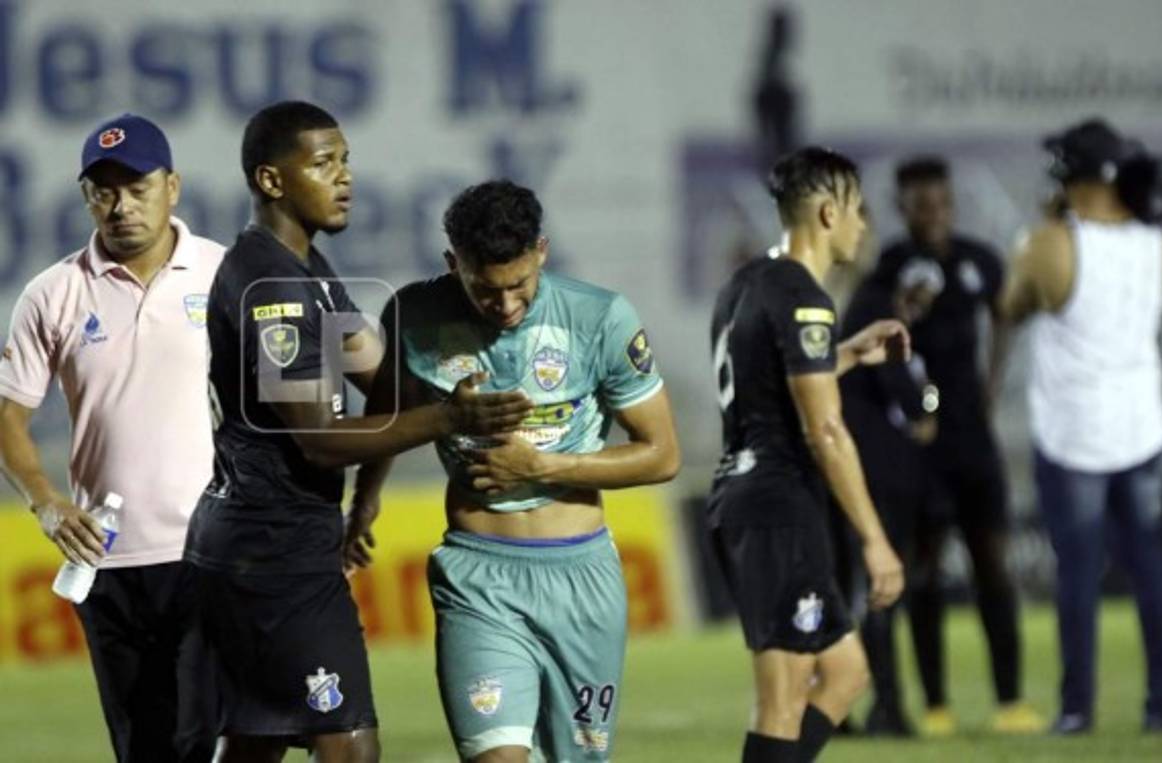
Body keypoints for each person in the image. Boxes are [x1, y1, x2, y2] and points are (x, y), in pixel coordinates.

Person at [183, 102, 532, 763]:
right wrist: (450, 417)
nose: (344, 177)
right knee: (347, 744)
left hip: (267, 542)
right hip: (272, 551)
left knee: (256, 741)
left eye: (345, 160)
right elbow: (317, 436)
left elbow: (384, 386)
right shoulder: (274, 286)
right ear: (271, 180)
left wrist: (372, 487)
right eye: (323, 163)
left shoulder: (307, 269)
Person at [360, 179, 681, 762]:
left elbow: (662, 453)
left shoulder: (600, 317)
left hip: (583, 579)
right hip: (477, 578)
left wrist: (542, 465)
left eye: (519, 287)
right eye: (485, 290)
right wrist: (365, 502)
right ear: (453, 263)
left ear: (542, 252)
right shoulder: (414, 312)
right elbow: (388, 418)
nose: (505, 306)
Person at [0, 114, 221, 762]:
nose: (121, 204)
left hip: (210, 549)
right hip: (108, 559)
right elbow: (8, 412)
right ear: (86, 196)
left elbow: (274, 401)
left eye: (137, 186)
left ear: (172, 186)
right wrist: (45, 499)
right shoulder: (53, 293)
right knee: (145, 749)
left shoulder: (224, 272)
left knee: (205, 742)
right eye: (104, 189)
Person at [706, 146, 907, 762]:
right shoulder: (804, 295)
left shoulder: (746, 283)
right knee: (782, 701)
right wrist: (874, 539)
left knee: (846, 673)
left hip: (743, 494)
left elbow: (768, 382)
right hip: (778, 505)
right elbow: (825, 430)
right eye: (858, 210)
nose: (864, 225)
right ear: (826, 213)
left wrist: (843, 353)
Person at [999, 118, 1162, 735]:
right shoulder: (1155, 241)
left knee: (1078, 571)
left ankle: (1077, 709)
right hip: (1142, 424)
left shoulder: (1051, 241)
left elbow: (1010, 304)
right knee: (1150, 566)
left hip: (1076, 433)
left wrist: (1043, 228)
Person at [874, 156, 1042, 735]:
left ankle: (1010, 701)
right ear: (903, 207)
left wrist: (990, 386)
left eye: (942, 203)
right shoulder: (893, 267)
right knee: (923, 573)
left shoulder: (979, 261)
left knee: (992, 568)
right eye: (922, 205)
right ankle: (937, 705)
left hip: (973, 440)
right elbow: (878, 337)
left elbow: (1006, 316)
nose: (935, 215)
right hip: (921, 445)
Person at [833, 258, 945, 736]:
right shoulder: (877, 312)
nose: (919, 311)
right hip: (877, 470)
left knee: (846, 587)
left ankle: (837, 708)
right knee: (881, 588)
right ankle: (887, 706)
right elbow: (907, 393)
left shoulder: (856, 307)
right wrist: (927, 401)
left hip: (849, 468)